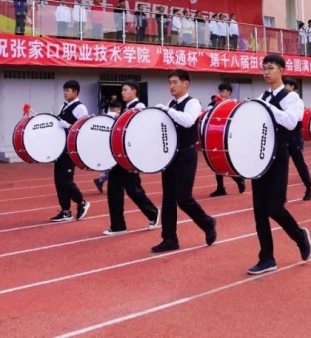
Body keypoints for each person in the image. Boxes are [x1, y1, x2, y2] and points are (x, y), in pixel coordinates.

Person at [247, 54, 311, 275]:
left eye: (270, 68)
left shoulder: (291, 98)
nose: (266, 72)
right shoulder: (262, 95)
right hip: (259, 157)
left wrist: (265, 108)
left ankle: (299, 235)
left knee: (274, 207)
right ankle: (267, 257)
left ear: (281, 70)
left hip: (278, 156)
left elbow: (291, 121)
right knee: (259, 212)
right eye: (263, 68)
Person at [152, 69, 217, 253]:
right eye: (170, 83)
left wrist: (167, 110)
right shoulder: (171, 103)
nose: (171, 86)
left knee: (184, 198)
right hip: (170, 156)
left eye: (175, 82)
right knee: (168, 199)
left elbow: (188, 121)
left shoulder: (192, 103)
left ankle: (207, 222)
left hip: (186, 155)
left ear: (185, 84)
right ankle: (169, 238)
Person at [104, 90, 161, 236]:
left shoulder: (139, 107)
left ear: (134, 91)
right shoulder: (126, 108)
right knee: (114, 191)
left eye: (125, 90)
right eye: (121, 90)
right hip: (120, 156)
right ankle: (118, 225)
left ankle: (153, 213)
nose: (122, 92)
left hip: (130, 156)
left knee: (134, 190)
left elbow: (139, 130)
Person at [52, 80, 91, 222]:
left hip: (70, 149)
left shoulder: (81, 108)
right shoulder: (64, 106)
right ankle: (65, 211)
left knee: (66, 180)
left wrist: (68, 125)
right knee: (58, 181)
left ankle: (82, 202)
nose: (65, 93)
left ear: (75, 92)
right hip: (60, 149)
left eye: (68, 90)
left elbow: (82, 129)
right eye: (64, 90)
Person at [208, 82, 246, 197]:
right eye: (221, 91)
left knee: (228, 160)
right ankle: (220, 188)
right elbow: (207, 113)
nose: (223, 93)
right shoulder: (215, 103)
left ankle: (238, 179)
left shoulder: (233, 104)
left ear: (229, 92)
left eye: (225, 91)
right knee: (216, 161)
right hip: (217, 135)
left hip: (230, 136)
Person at [282, 78, 311, 201]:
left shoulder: (296, 100)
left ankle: (309, 187)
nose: (284, 87)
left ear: (292, 87)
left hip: (294, 135)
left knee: (299, 163)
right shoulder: (281, 99)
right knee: (282, 166)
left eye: (286, 85)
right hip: (282, 135)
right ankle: (282, 194)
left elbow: (296, 118)